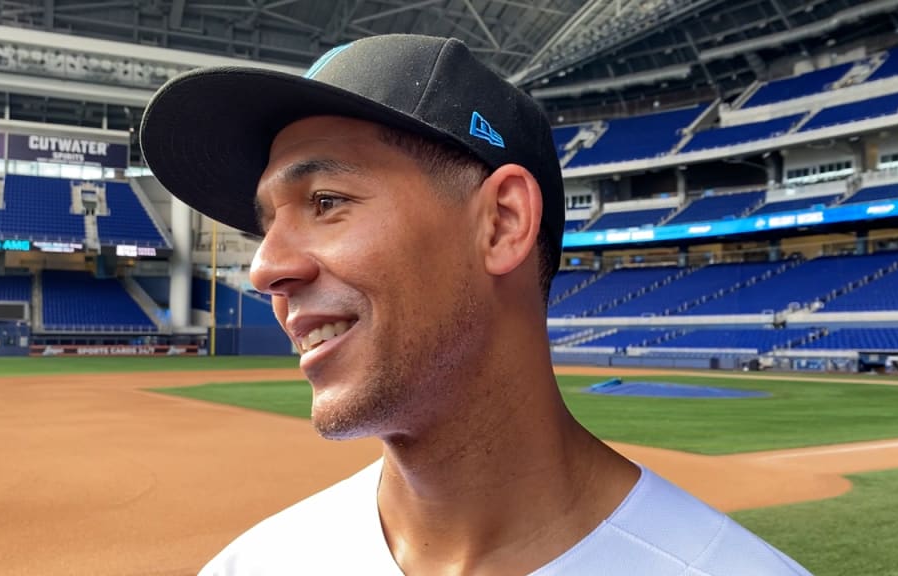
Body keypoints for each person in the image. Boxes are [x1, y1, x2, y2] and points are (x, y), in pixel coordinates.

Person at [141, 34, 812, 576]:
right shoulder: (253, 566)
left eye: (326, 203)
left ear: (501, 223)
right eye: (266, 227)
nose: (265, 269)